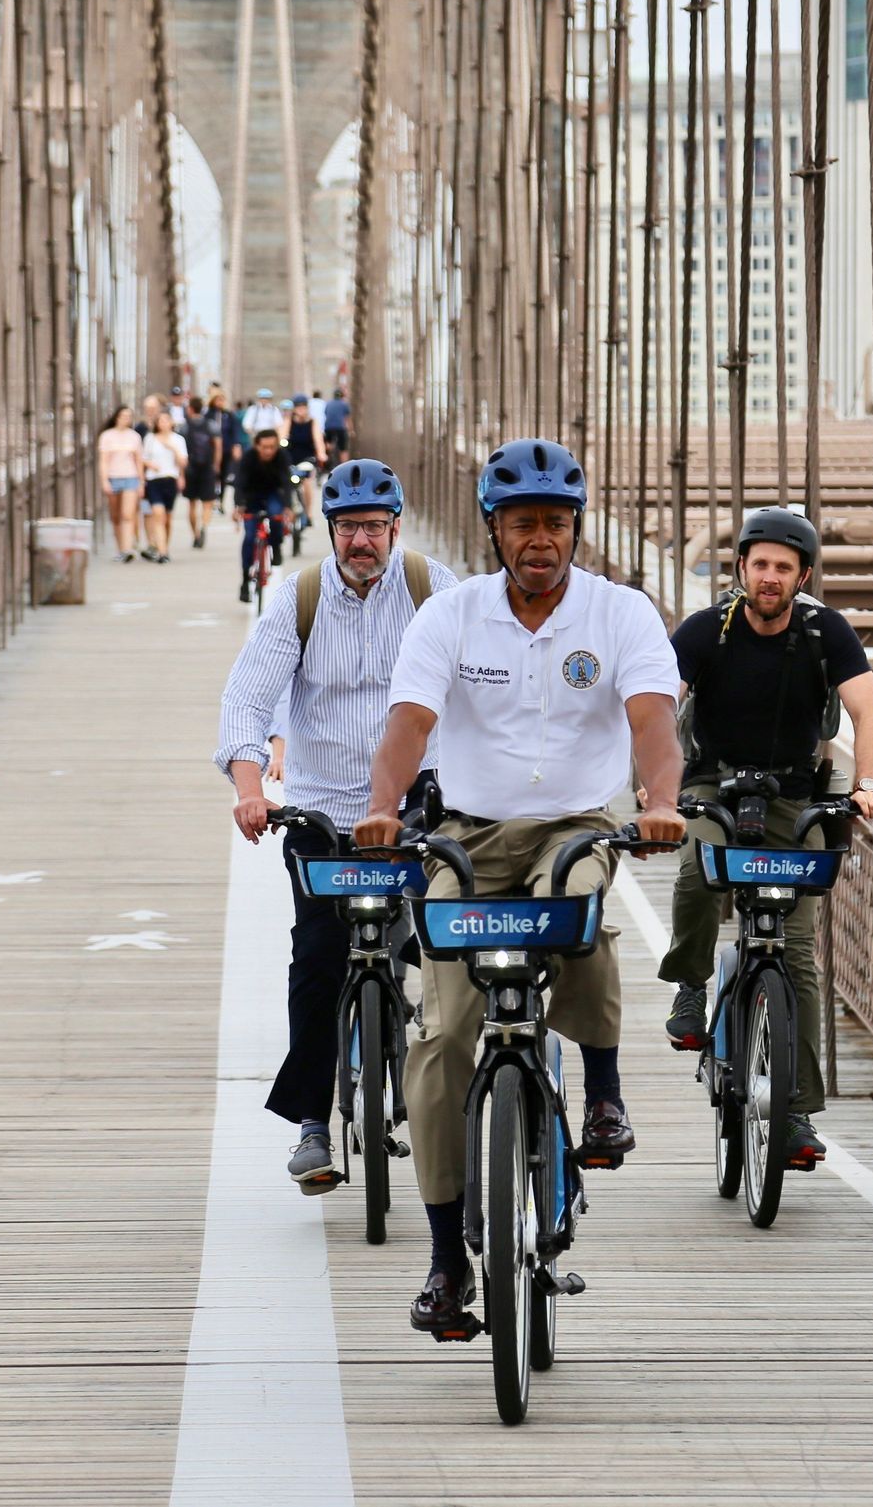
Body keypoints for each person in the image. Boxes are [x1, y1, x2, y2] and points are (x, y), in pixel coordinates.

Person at [353, 438, 684, 1336]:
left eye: (556, 522)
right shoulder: (451, 616)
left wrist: (658, 801)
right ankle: (442, 1262)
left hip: (575, 818)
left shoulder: (619, 612)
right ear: (493, 529)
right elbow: (408, 721)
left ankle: (605, 1095)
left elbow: (652, 719)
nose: (541, 539)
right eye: (522, 523)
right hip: (464, 835)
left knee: (579, 892)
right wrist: (383, 809)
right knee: (443, 1036)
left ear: (575, 529)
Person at [214, 461, 456, 1190]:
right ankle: (314, 1122)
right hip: (323, 811)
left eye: (373, 526)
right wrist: (251, 789)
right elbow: (248, 702)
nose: (361, 541)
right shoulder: (300, 599)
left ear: (396, 528)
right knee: (318, 958)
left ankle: (436, 1071)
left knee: (443, 947)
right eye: (347, 526)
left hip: (421, 803)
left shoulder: (432, 590)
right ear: (330, 530)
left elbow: (482, 683)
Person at [659, 506, 873, 1163]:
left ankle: (794, 1113)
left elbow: (866, 709)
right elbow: (660, 699)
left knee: (796, 952)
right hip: (713, 784)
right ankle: (691, 982)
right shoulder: (706, 631)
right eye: (758, 564)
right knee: (696, 867)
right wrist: (658, 789)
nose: (768, 576)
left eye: (782, 568)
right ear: (739, 570)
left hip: (793, 793)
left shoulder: (826, 632)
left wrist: (867, 783)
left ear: (802, 576)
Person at [233, 430, 299, 605]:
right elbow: (239, 483)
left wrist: (288, 507)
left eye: (272, 447)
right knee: (248, 538)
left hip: (273, 494)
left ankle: (275, 546)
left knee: (277, 518)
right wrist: (238, 505)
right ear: (257, 446)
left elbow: (286, 482)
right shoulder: (248, 457)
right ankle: (245, 581)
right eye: (265, 447)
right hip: (252, 496)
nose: (269, 451)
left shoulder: (282, 457)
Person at [140, 408, 188, 563]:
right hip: (154, 479)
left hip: (170, 479)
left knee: (167, 518)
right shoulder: (150, 439)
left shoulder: (178, 440)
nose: (164, 423)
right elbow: (143, 458)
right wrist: (150, 465)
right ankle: (161, 552)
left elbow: (182, 462)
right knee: (157, 514)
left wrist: (172, 448)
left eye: (167, 420)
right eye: (160, 421)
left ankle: (164, 547)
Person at [182, 392, 229, 551]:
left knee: (191, 504)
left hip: (190, 468)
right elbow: (218, 446)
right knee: (207, 503)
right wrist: (216, 464)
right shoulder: (211, 425)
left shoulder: (185, 426)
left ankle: (195, 534)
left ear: (190, 409)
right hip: (207, 467)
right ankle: (204, 526)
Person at [98, 406, 146, 562]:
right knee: (116, 516)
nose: (126, 419)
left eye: (129, 416)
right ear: (116, 417)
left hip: (130, 477)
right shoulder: (107, 436)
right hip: (113, 477)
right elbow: (104, 461)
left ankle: (127, 549)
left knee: (128, 514)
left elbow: (138, 461)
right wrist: (104, 480)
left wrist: (141, 482)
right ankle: (120, 548)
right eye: (123, 416)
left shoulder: (134, 436)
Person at [284, 394, 326, 528]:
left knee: (307, 482)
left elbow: (318, 440)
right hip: (290, 459)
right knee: (286, 483)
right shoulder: (288, 421)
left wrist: (321, 454)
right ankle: (288, 511)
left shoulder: (312, 422)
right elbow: (282, 435)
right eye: (299, 407)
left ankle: (308, 514)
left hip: (307, 459)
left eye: (304, 407)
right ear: (294, 409)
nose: (301, 410)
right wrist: (282, 442)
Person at [321, 387, 352, 462]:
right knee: (343, 448)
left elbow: (326, 414)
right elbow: (347, 419)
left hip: (328, 427)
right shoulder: (344, 404)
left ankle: (327, 461)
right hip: (340, 427)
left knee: (328, 444)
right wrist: (351, 430)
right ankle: (345, 464)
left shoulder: (328, 403)